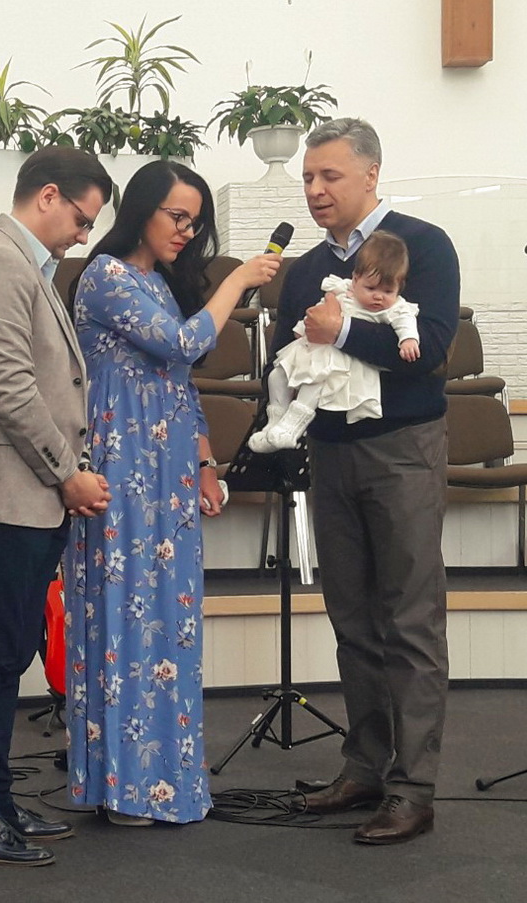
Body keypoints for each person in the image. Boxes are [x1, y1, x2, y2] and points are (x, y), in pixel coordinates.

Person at [63, 160, 280, 826]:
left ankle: (163, 779)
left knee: (169, 618)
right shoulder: (105, 277)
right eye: (177, 216)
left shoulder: (157, 281)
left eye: (195, 222)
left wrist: (207, 461)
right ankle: (124, 785)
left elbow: (179, 383)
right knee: (125, 615)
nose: (187, 231)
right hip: (122, 466)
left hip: (169, 471)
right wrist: (237, 279)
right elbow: (183, 343)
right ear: (141, 212)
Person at [270, 118, 460, 844]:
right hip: (332, 451)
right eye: (308, 178)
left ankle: (413, 788)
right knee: (351, 619)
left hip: (403, 449)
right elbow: (290, 351)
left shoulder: (424, 245)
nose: (315, 190)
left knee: (408, 619)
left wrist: (343, 332)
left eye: (330, 176)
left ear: (371, 173)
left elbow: (430, 347)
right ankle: (366, 767)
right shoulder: (305, 268)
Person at [0, 147, 114, 867]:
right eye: (81, 218)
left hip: (26, 492)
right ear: (48, 195)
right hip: (9, 491)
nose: (82, 235)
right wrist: (69, 474)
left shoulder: (23, 266)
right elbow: (12, 391)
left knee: (7, 652)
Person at [248, 230, 419, 452]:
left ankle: (292, 428)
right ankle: (275, 423)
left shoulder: (394, 307)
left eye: (388, 291)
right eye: (370, 288)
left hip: (342, 361)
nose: (378, 296)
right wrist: (302, 330)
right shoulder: (342, 290)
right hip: (314, 347)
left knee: (315, 379)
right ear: (356, 279)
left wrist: (408, 339)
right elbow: (318, 311)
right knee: (276, 375)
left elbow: (405, 320)